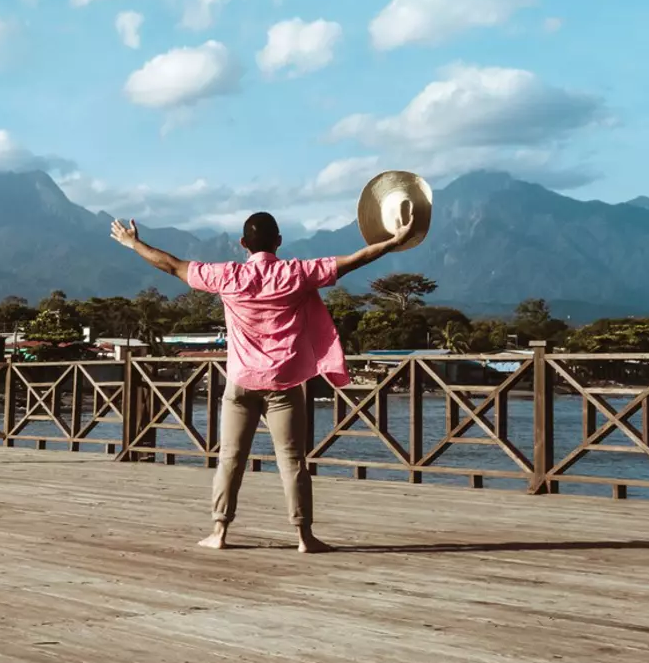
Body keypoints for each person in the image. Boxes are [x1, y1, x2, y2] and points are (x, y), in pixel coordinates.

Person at [110, 203, 419, 551]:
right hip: (284, 383)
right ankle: (304, 536)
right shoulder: (297, 273)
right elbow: (354, 260)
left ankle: (219, 532)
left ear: (243, 243)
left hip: (241, 381)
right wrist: (394, 241)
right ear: (279, 242)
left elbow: (172, 266)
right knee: (292, 461)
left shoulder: (227, 276)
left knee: (230, 458)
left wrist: (133, 243)